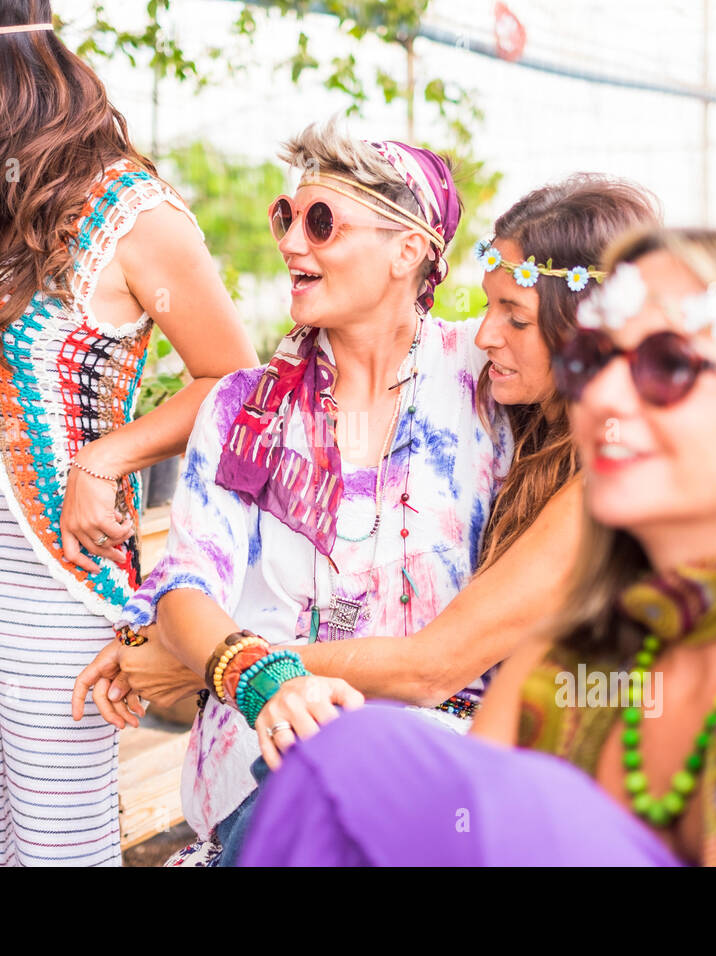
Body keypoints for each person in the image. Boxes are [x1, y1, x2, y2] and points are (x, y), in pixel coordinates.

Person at [238, 225, 716, 866]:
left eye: (667, 365)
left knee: (365, 754)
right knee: (351, 761)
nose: (605, 399)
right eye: (593, 361)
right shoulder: (558, 670)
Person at [72, 171, 660, 866]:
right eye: (285, 215)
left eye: (323, 222)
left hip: (549, 794)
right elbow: (189, 582)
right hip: (429, 772)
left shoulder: (571, 454)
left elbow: (433, 668)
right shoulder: (249, 406)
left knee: (328, 771)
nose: (489, 333)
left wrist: (219, 666)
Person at [0, 0, 256, 866]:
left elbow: (234, 379)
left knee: (55, 845)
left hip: (53, 590)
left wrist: (107, 457)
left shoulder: (132, 213)